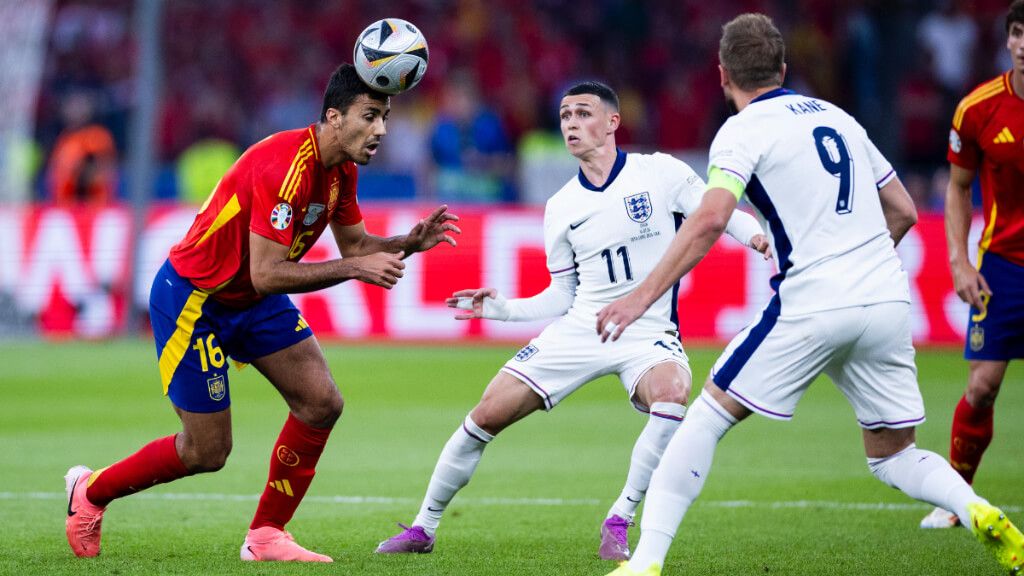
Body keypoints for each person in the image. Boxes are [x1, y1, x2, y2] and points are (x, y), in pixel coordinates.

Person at [597, 13, 1024, 576]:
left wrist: (640, 296)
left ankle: (646, 562)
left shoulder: (741, 131)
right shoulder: (838, 117)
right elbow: (902, 209)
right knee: (894, 454)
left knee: (704, 419)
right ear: (783, 68)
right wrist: (859, 265)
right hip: (885, 299)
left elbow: (711, 217)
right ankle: (975, 508)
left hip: (813, 301)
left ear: (722, 74)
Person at [63, 63, 460, 563]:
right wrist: (355, 269)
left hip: (250, 298)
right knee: (207, 451)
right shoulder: (286, 167)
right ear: (334, 117)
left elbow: (356, 245)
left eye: (385, 117)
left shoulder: (342, 169)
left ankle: (267, 535)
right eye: (370, 116)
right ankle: (90, 492)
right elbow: (269, 273)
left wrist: (407, 242)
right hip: (197, 299)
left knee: (321, 402)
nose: (381, 129)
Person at [375, 81, 769, 560]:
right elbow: (561, 295)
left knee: (671, 394)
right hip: (582, 328)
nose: (571, 124)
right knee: (486, 414)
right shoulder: (561, 207)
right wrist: (502, 309)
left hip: (648, 332)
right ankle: (423, 527)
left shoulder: (660, 172)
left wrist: (757, 237)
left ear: (612, 122)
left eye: (583, 113)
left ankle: (619, 518)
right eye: (564, 116)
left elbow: (718, 211)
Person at [921, 0, 1024, 531]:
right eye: (1018, 33)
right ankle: (957, 500)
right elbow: (958, 189)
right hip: (1004, 266)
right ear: (1008, 40)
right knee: (982, 387)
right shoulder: (977, 109)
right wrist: (959, 262)